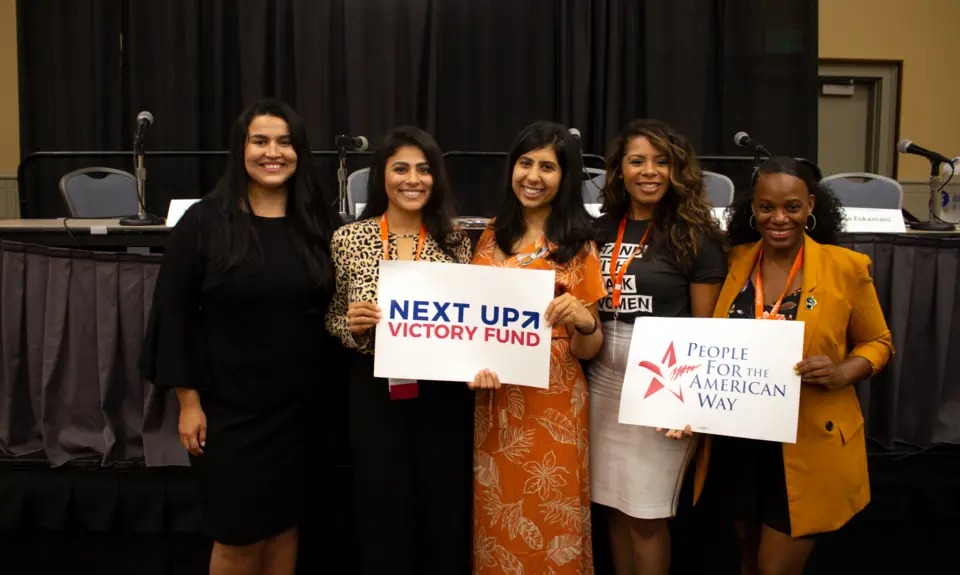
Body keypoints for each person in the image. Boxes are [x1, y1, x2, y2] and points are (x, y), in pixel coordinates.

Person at [141, 99, 341, 575]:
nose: (273, 152)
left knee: (285, 528)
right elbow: (174, 316)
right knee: (238, 538)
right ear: (241, 149)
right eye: (260, 141)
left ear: (300, 152)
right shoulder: (203, 222)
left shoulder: (320, 224)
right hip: (228, 413)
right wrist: (188, 402)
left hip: (300, 411)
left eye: (285, 142)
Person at [693, 157, 894, 575]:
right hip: (739, 440)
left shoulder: (845, 268)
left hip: (808, 439)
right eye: (767, 207)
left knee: (775, 567)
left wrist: (842, 372)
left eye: (792, 207)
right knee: (746, 554)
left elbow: (879, 343)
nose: (779, 218)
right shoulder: (733, 261)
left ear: (811, 206)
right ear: (753, 208)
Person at [324, 126, 474, 575]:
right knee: (382, 507)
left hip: (443, 394)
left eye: (424, 170)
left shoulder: (456, 241)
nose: (413, 180)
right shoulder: (348, 238)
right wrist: (352, 326)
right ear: (382, 176)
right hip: (375, 391)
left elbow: (474, 319)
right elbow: (332, 315)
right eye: (401, 169)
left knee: (442, 507)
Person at [587, 119, 727, 575]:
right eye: (637, 161)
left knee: (646, 516)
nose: (649, 171)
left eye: (661, 161)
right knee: (613, 507)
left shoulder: (696, 236)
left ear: (676, 170)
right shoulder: (599, 229)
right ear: (619, 171)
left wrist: (690, 403)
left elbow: (706, 331)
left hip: (664, 383)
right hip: (600, 382)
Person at [468, 121, 605, 574]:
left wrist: (583, 320)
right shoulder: (491, 235)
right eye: (525, 163)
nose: (533, 176)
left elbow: (589, 349)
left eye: (547, 167)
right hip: (496, 400)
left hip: (555, 402)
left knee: (552, 515)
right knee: (499, 516)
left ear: (565, 178)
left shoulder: (579, 245)